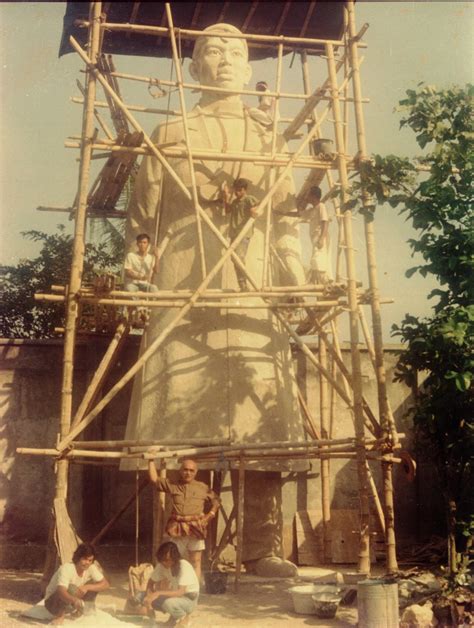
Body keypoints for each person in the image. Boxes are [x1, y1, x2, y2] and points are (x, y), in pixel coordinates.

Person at [123, 22, 306, 577]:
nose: (224, 60)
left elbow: (287, 221)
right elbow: (139, 224)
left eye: (235, 51)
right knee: (183, 418)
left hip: (251, 287)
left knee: (260, 413)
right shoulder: (171, 134)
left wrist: (293, 275)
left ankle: (261, 546)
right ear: (194, 66)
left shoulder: (270, 141)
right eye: (210, 51)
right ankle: (181, 550)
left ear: (250, 67)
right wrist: (139, 279)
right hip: (186, 284)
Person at [148, 458, 220, 580]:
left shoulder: (202, 487)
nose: (188, 473)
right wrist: (150, 460)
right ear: (180, 471)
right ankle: (177, 586)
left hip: (196, 528)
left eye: (192, 470)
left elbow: (217, 501)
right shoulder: (173, 484)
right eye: (185, 470)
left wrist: (209, 516)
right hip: (177, 528)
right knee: (174, 559)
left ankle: (195, 590)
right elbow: (154, 479)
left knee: (196, 561)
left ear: (196, 472)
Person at [43, 543, 109, 624]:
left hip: (71, 600)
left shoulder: (91, 567)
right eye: (84, 559)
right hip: (52, 603)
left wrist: (87, 587)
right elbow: (61, 591)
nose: (87, 562)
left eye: (90, 560)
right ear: (78, 558)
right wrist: (75, 600)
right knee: (71, 588)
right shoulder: (67, 568)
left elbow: (105, 584)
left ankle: (85, 611)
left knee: (95, 584)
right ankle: (60, 616)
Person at [139, 542, 199, 627]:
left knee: (168, 603)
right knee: (141, 596)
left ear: (175, 558)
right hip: (175, 598)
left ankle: (184, 618)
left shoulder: (184, 565)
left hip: (189, 600)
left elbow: (180, 592)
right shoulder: (162, 565)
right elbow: (150, 582)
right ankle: (173, 619)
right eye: (162, 560)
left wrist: (158, 593)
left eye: (167, 560)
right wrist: (149, 596)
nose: (164, 563)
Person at [223, 177, 259, 291]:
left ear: (244, 190)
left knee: (239, 257)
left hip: (244, 233)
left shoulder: (249, 199)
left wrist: (254, 210)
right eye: (235, 190)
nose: (236, 192)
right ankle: (242, 284)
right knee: (234, 259)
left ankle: (244, 283)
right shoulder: (235, 201)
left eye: (239, 190)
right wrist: (226, 197)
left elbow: (257, 207)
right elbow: (228, 211)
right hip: (234, 233)